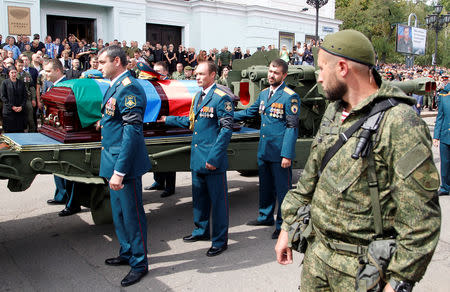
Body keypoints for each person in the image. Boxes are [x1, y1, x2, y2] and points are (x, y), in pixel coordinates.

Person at [275, 29, 441, 292]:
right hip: (317, 257)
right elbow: (311, 175)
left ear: (342, 68)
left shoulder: (399, 122)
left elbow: (420, 219)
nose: (318, 78)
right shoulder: (334, 110)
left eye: (321, 69)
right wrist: (288, 226)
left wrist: (398, 282)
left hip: (362, 272)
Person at [159, 61, 233, 257]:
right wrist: (168, 119)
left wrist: (214, 157)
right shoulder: (198, 97)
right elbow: (192, 122)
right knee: (199, 198)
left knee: (218, 202)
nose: (197, 77)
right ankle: (201, 231)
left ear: (213, 75)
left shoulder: (221, 98)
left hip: (212, 160)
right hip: (197, 158)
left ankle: (219, 240)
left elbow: (226, 130)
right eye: (196, 74)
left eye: (201, 74)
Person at [98, 45, 151, 286]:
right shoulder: (114, 86)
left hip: (123, 164)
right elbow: (117, 119)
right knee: (119, 214)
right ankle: (127, 251)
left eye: (102, 62)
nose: (98, 66)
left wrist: (119, 172)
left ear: (116, 61)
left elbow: (132, 133)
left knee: (132, 215)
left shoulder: (130, 88)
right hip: (112, 159)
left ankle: (139, 263)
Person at [234, 59, 300, 239]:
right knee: (265, 187)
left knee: (282, 190)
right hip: (264, 150)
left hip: (279, 154)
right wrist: (226, 114)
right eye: (270, 71)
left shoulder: (290, 96)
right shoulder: (264, 94)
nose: (271, 75)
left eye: (276, 73)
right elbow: (249, 112)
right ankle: (265, 216)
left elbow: (292, 128)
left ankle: (283, 226)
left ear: (284, 75)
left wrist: (287, 154)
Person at [42, 59, 82, 216]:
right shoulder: (53, 86)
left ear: (58, 70)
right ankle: (61, 195)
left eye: (48, 71)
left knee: (68, 169)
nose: (45, 74)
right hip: (55, 129)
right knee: (57, 167)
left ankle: (73, 203)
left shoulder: (68, 86)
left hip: (67, 133)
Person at [143, 61, 176, 197]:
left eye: (159, 71)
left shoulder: (171, 85)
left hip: (167, 125)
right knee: (156, 156)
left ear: (166, 72)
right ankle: (158, 182)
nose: (155, 73)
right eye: (153, 71)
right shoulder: (151, 84)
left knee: (167, 157)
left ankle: (170, 187)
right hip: (154, 124)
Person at [433, 81, 450, 196]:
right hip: (445, 134)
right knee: (445, 163)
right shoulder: (444, 98)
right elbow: (440, 117)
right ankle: (445, 187)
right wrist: (436, 136)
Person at [0, 66, 27, 132]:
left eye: (15, 72)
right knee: (9, 131)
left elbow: (25, 96)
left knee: (19, 130)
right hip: (9, 112)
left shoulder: (21, 83)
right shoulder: (5, 83)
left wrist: (21, 106)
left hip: (20, 111)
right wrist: (12, 107)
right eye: (12, 72)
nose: (14, 74)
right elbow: (3, 96)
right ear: (9, 73)